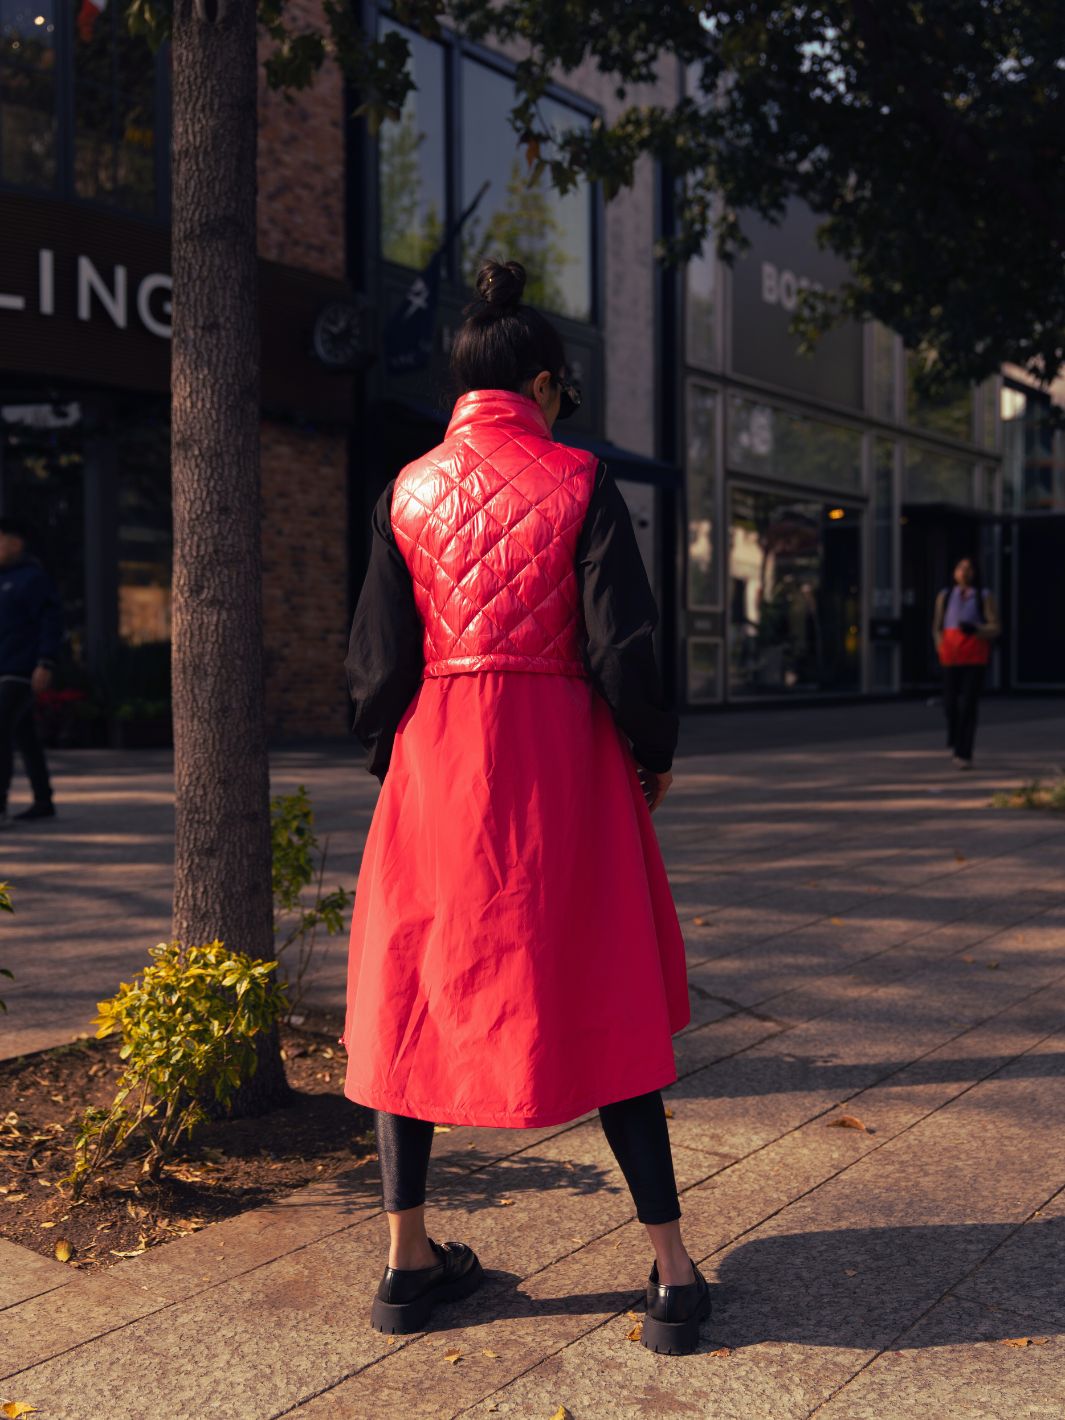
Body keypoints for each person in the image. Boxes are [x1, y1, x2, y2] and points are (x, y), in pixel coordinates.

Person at [340, 259, 707, 1355]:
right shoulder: (581, 482)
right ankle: (674, 1275)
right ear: (544, 386)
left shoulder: (402, 490)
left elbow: (373, 665)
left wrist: (392, 761)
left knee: (411, 990)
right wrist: (653, 751)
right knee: (605, 993)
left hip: (435, 763)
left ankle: (408, 1262)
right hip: (561, 765)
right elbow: (624, 644)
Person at [0, 515, 62, 825]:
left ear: (15, 543)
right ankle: (43, 800)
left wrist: (45, 662)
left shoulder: (31, 578)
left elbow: (50, 622)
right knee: (24, 735)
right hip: (4, 667)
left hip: (19, 670)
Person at [932, 556, 1000, 769]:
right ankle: (955, 733)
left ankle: (964, 752)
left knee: (969, 704)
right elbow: (937, 626)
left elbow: (996, 626)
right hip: (950, 656)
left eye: (969, 568)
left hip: (974, 656)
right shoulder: (945, 596)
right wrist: (940, 646)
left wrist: (978, 630)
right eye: (961, 567)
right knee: (950, 703)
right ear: (954, 572)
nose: (965, 572)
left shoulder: (983, 596)